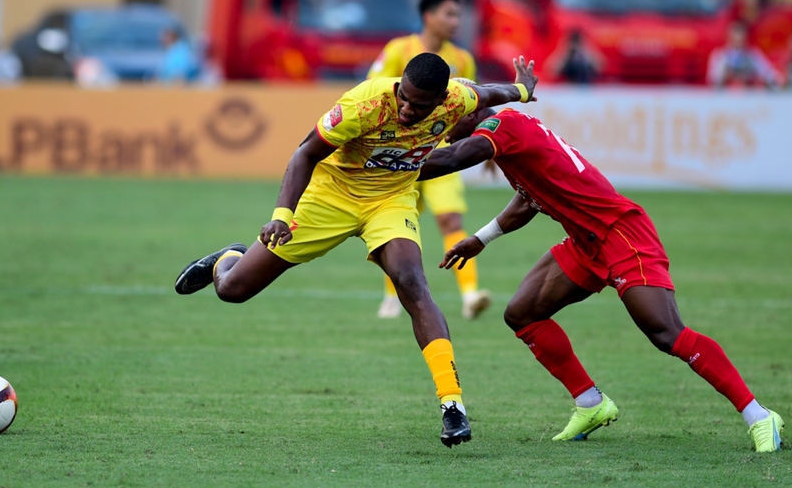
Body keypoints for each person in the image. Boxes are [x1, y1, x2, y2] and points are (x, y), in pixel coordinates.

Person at [175, 53, 538, 448]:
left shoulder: (459, 99)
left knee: (413, 284)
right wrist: (281, 215)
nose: (406, 108)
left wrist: (522, 89)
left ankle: (453, 406)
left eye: (419, 105)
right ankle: (229, 258)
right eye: (404, 98)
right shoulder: (363, 103)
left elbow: (491, 91)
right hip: (330, 197)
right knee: (232, 290)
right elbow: (305, 153)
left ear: (440, 100)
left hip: (390, 200)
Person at [418, 105, 784, 453]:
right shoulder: (511, 133)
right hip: (586, 241)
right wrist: (481, 239)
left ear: (474, 113)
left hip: (620, 234)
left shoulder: (502, 129)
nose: (445, 132)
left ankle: (759, 416)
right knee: (522, 313)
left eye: (449, 120)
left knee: (667, 334)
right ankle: (590, 402)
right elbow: (528, 199)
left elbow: (455, 158)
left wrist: (393, 165)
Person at [367, 0, 492, 321]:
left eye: (458, 15)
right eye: (449, 14)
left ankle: (470, 295)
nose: (456, 22)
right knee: (396, 227)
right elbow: (375, 93)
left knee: (451, 219)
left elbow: (474, 105)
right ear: (429, 17)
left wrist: (489, 143)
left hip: (441, 155)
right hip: (398, 156)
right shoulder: (399, 50)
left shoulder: (462, 59)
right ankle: (391, 297)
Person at [707, 22, 779, 88]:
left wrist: (775, 81)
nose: (738, 42)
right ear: (729, 38)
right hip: (725, 95)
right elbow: (713, 79)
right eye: (735, 40)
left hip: (748, 95)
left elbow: (769, 73)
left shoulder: (752, 55)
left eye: (741, 40)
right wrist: (726, 75)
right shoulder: (720, 55)